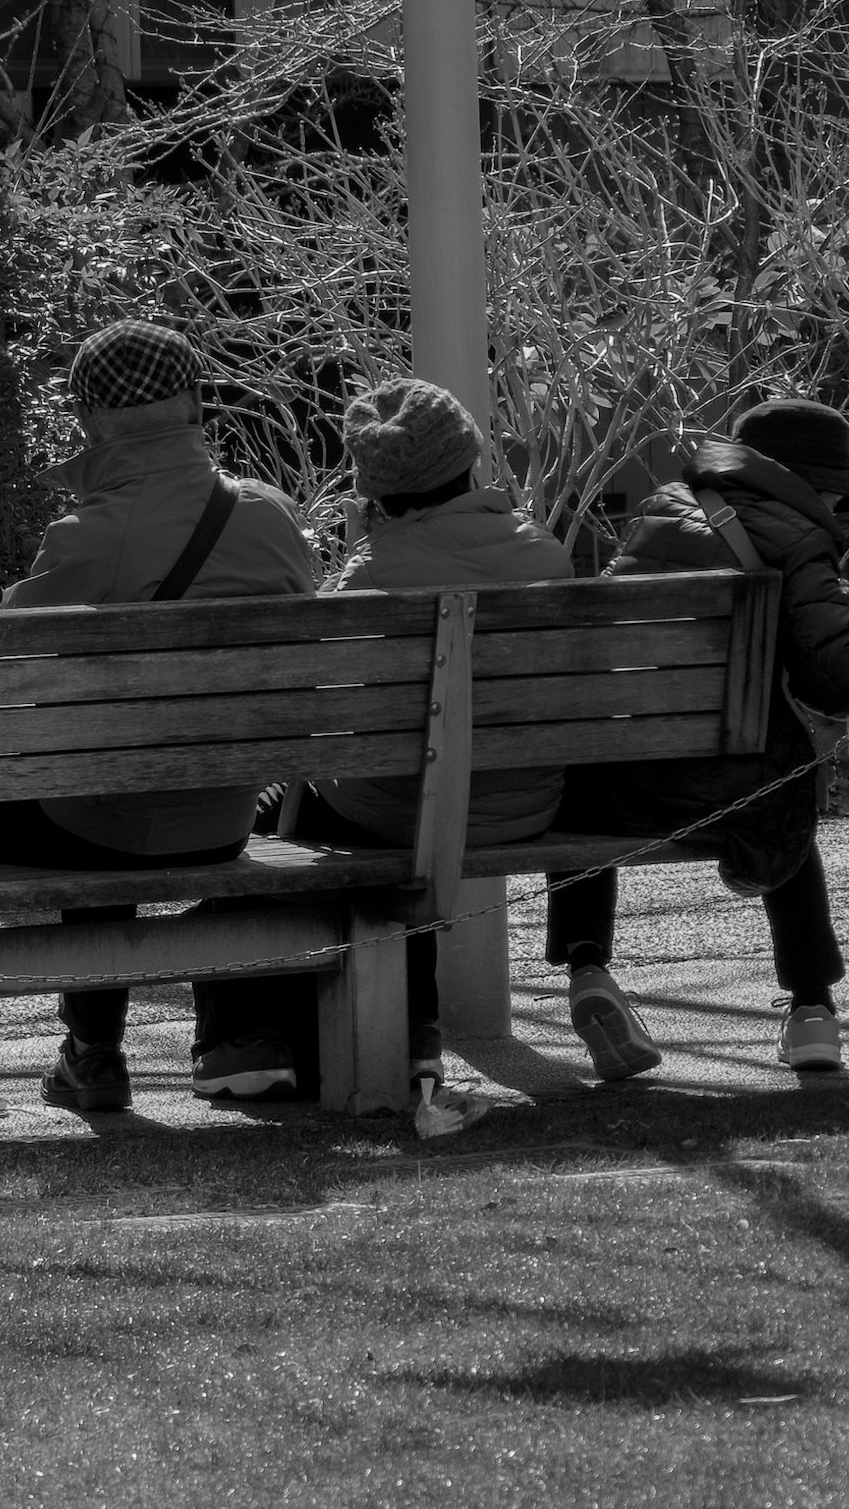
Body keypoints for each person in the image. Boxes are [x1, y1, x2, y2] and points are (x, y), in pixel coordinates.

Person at [0, 318, 319, 1126]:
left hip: (109, 817)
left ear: (91, 419)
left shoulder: (88, 537)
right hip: (224, 816)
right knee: (107, 771)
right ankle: (90, 1055)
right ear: (196, 402)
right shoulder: (273, 518)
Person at [552, 398, 849, 1072]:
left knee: (582, 768)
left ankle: (589, 969)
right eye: (835, 491)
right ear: (807, 480)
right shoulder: (794, 536)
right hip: (743, 799)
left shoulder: (659, 514)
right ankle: (812, 1009)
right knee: (784, 781)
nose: (839, 510)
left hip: (622, 788)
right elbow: (837, 678)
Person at [229, 376, 571, 1133]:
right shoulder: (543, 554)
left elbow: (321, 707)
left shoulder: (371, 574)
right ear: (472, 464)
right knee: (381, 805)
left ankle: (259, 1037)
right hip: (527, 806)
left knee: (289, 813)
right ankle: (407, 1044)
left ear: (374, 490)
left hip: (391, 816)